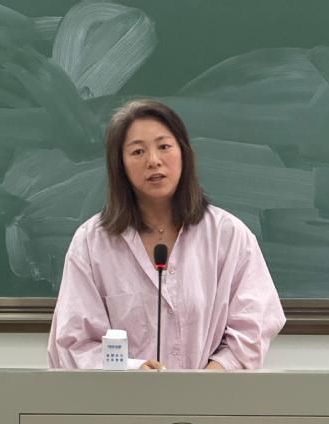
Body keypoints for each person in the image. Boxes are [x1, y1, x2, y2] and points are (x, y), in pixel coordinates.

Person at [48, 99, 285, 370]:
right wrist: (133, 370)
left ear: (184, 153)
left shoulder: (228, 236)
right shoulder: (91, 243)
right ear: (120, 165)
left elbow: (254, 325)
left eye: (164, 147)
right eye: (138, 151)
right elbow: (74, 342)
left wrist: (210, 377)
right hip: (121, 395)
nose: (153, 161)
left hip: (211, 394)